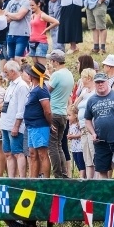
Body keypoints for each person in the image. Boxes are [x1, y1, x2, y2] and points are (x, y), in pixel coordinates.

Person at [85, 72, 114, 179]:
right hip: (101, 140)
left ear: (107, 82)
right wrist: (93, 133)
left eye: (102, 82)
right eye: (97, 82)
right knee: (102, 169)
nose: (100, 84)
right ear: (94, 84)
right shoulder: (91, 100)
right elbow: (87, 120)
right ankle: (105, 189)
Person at [46, 50, 73, 178]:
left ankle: (57, 174)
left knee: (52, 146)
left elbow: (47, 91)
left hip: (54, 112)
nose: (51, 63)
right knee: (59, 145)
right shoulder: (69, 74)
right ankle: (63, 172)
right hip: (63, 113)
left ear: (55, 62)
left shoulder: (57, 75)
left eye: (52, 61)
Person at [23, 61, 51, 178]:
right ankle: (33, 180)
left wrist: (50, 123)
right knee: (33, 153)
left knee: (42, 153)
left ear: (32, 76)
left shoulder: (41, 89)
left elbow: (47, 110)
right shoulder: (34, 88)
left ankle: (46, 180)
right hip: (31, 126)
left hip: (39, 125)